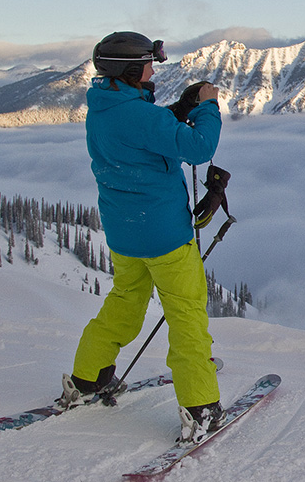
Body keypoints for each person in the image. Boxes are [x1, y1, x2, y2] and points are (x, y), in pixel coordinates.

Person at [60, 31, 225, 435]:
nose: (155, 69)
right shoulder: (140, 115)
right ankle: (201, 407)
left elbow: (142, 130)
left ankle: (87, 378)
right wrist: (207, 106)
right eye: (150, 63)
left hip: (124, 233)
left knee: (125, 301)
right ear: (132, 70)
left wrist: (178, 107)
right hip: (165, 236)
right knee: (186, 317)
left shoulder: (103, 108)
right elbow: (200, 147)